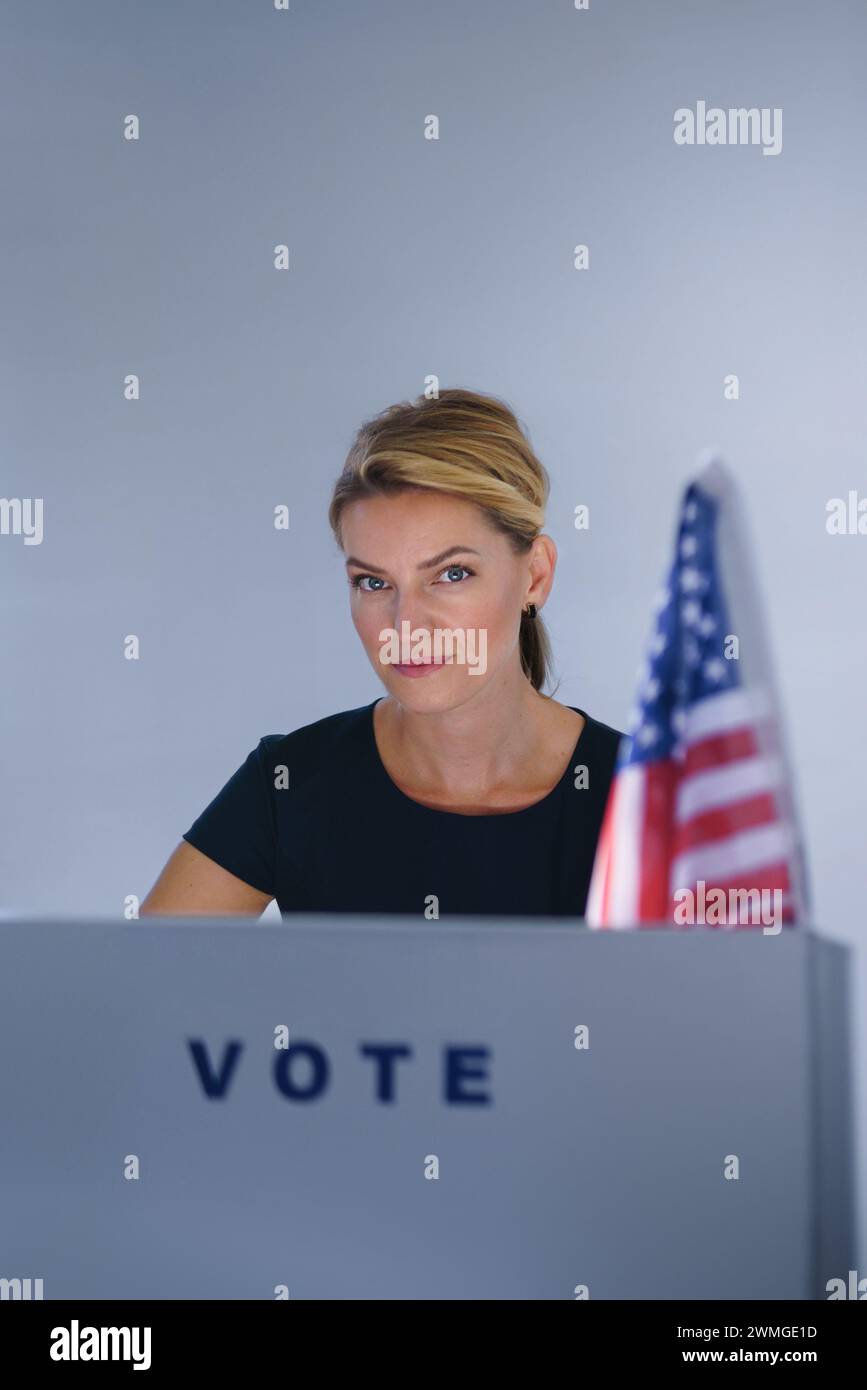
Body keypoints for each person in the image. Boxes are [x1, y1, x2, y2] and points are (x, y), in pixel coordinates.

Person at [140, 388, 623, 919]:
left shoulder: (654, 798)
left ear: (535, 575)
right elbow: (134, 986)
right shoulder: (289, 784)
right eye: (373, 583)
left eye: (451, 574)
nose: (406, 625)